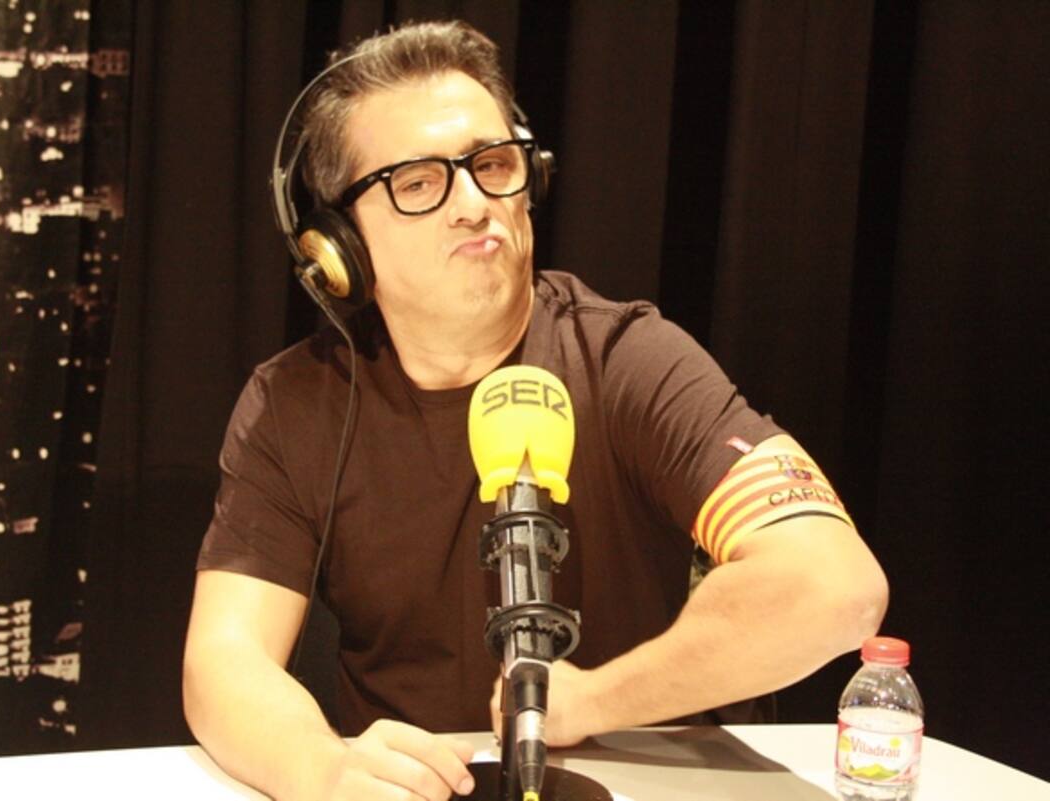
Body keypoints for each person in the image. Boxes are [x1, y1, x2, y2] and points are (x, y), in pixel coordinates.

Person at [182, 20, 888, 801]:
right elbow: (225, 660)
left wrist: (593, 700)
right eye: (418, 182)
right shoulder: (295, 402)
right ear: (337, 242)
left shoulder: (627, 359)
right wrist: (321, 768)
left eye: (492, 165)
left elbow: (834, 585)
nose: (473, 204)